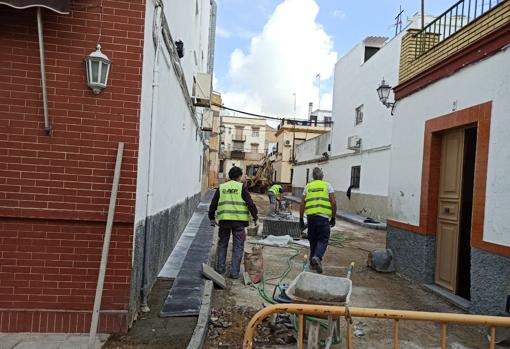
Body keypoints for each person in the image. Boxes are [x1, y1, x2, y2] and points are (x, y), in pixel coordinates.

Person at [209, 166, 258, 279]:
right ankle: (234, 273)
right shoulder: (241, 187)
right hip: (239, 223)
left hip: (224, 222)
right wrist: (255, 217)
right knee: (238, 247)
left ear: (229, 176)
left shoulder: (222, 187)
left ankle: (220, 269)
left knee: (222, 244)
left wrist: (211, 217)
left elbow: (213, 204)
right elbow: (250, 203)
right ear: (239, 176)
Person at [299, 167, 337, 274]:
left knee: (313, 240)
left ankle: (312, 263)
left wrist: (301, 218)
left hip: (311, 219)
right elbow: (333, 202)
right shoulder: (327, 186)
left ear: (313, 176)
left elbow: (302, 203)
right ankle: (317, 257)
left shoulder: (308, 186)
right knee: (323, 239)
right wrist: (333, 217)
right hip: (323, 218)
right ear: (322, 176)